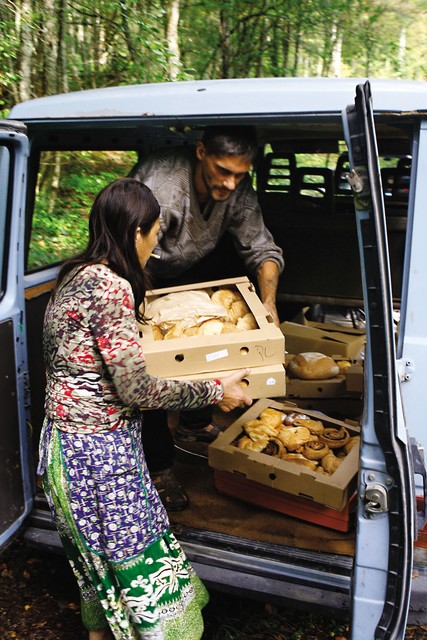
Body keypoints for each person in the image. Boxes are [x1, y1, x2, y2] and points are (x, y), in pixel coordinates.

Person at [37, 178, 252, 640]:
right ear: (136, 232)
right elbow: (138, 390)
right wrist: (215, 389)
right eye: (155, 234)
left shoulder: (75, 274)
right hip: (98, 456)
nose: (156, 246)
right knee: (143, 565)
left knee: (100, 564)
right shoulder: (110, 287)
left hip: (63, 449)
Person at [130, 126, 285, 511]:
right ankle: (158, 465)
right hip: (142, 268)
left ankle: (195, 422)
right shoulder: (163, 186)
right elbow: (130, 248)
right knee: (155, 365)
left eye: (240, 175)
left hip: (192, 265)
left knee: (212, 340)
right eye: (223, 171)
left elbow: (262, 247)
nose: (231, 183)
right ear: (201, 152)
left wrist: (268, 304)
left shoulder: (236, 190)